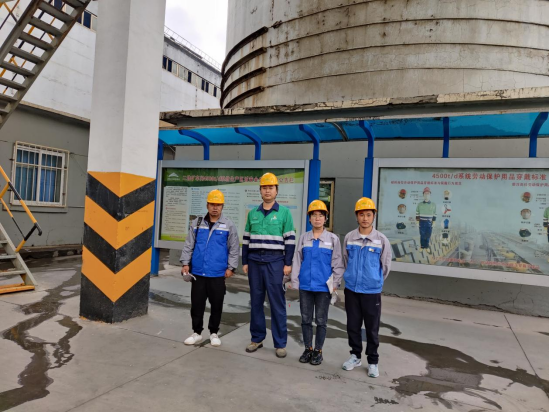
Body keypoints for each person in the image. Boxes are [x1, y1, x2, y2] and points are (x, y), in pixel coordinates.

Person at [242, 173, 296, 358]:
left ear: (276, 191)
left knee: (277, 303)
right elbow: (246, 239)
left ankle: (280, 343)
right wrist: (245, 261)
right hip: (254, 262)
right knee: (256, 302)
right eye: (264, 188)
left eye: (270, 188)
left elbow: (290, 241)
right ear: (260, 190)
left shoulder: (284, 213)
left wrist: (287, 263)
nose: (267, 191)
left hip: (275, 262)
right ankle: (256, 338)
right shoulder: (253, 213)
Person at [180, 190, 239, 347]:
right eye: (212, 204)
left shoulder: (228, 225)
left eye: (218, 205)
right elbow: (189, 244)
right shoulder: (197, 223)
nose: (215, 207)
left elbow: (234, 248)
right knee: (197, 304)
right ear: (207, 205)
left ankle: (214, 332)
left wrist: (231, 267)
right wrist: (185, 263)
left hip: (217, 273)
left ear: (222, 206)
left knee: (216, 304)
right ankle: (197, 333)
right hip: (198, 272)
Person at [342, 198, 392, 379]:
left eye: (368, 215)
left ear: (373, 216)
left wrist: (374, 280)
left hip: (371, 292)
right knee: (353, 325)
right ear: (356, 216)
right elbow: (345, 260)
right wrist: (352, 278)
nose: (365, 218)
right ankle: (355, 356)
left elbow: (385, 266)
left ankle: (373, 361)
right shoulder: (349, 238)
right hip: (352, 290)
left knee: (372, 328)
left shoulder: (381, 240)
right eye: (361, 214)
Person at [290, 200, 344, 366]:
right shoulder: (303, 238)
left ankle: (318, 351)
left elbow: (338, 263)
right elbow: (297, 260)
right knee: (306, 319)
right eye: (314, 215)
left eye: (321, 215)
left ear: (325, 218)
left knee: (321, 321)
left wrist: (335, 283)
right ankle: (308, 349)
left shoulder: (333, 239)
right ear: (310, 219)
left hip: (323, 287)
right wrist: (295, 280)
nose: (317, 218)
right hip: (306, 286)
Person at [416, 187, 437, 251]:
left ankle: (427, 246)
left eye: (428, 193)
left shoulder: (433, 204)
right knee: (422, 234)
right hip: (422, 222)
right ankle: (422, 246)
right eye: (425, 193)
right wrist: (417, 222)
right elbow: (417, 213)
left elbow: (435, 214)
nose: (426, 195)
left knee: (428, 235)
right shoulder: (420, 204)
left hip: (429, 222)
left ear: (430, 195)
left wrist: (434, 222)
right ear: (423, 195)